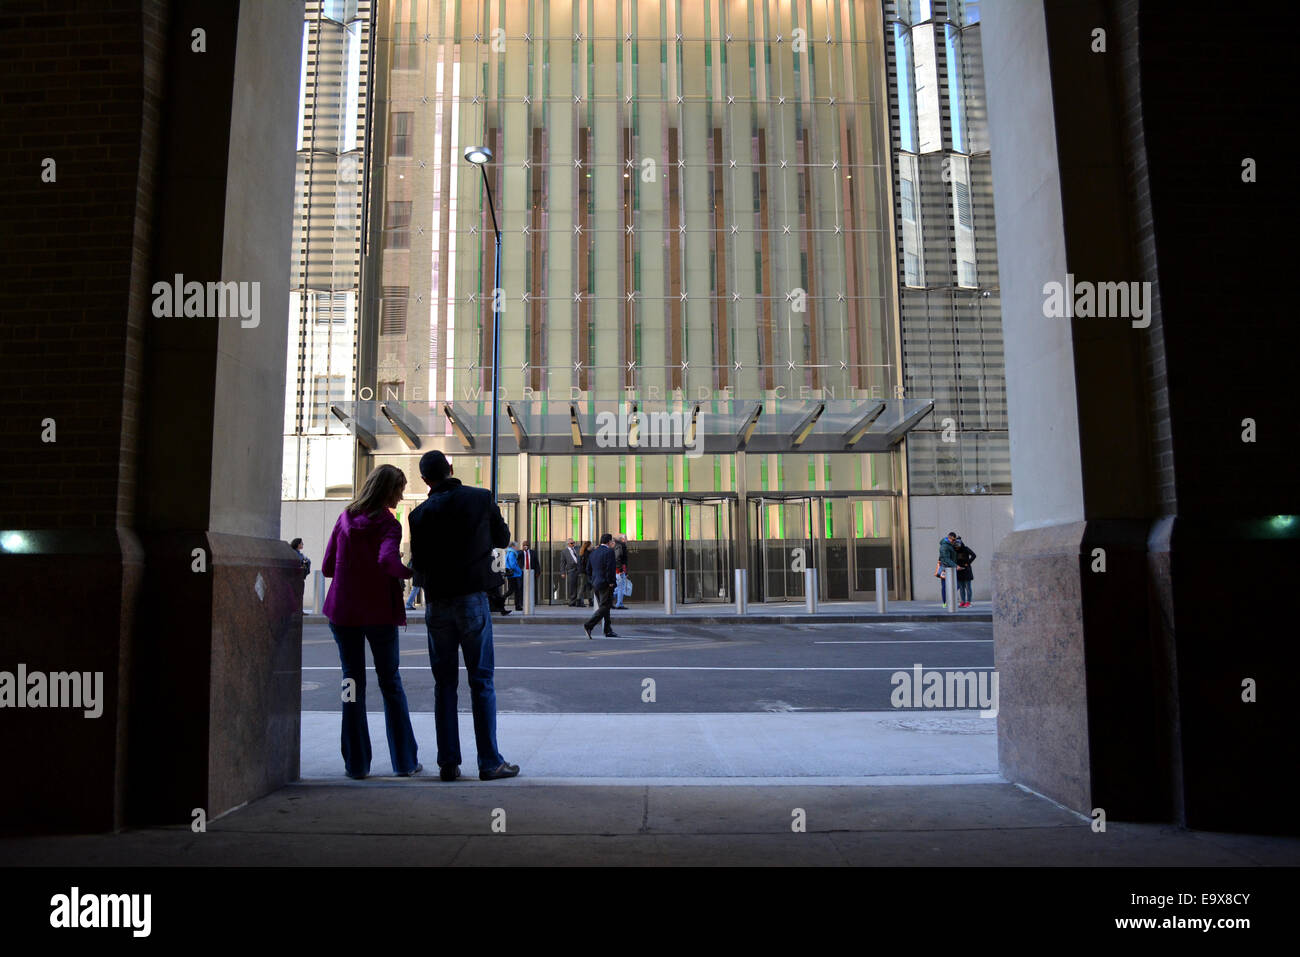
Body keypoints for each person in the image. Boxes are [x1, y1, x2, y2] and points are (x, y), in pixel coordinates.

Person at [407, 450, 520, 782]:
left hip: (438, 603)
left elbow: (420, 564)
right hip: (472, 598)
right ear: (451, 469)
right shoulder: (480, 499)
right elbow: (503, 538)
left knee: (444, 685)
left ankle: (448, 763)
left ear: (425, 479)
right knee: (481, 681)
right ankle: (489, 762)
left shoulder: (418, 515)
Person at [320, 465, 421, 780]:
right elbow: (387, 560)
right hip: (378, 613)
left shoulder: (345, 517)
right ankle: (404, 762)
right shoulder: (389, 524)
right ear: (388, 491)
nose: (401, 495)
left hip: (343, 612)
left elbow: (326, 568)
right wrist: (408, 574)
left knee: (351, 682)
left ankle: (356, 764)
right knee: (390, 683)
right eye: (399, 489)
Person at [583, 533, 620, 639]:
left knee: (605, 606)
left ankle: (608, 630)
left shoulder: (593, 553)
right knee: (605, 606)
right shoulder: (609, 552)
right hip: (606, 583)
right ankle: (589, 625)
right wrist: (611, 581)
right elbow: (610, 568)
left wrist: (592, 580)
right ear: (608, 542)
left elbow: (588, 569)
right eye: (612, 540)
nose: (613, 542)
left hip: (596, 583)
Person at [938, 532, 960, 606]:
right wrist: (955, 565)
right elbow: (946, 558)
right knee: (945, 585)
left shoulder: (950, 545)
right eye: (953, 540)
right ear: (949, 538)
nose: (954, 541)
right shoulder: (944, 546)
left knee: (956, 585)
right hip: (945, 568)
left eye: (955, 540)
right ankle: (945, 602)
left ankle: (950, 599)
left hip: (950, 568)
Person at [954, 537, 977, 608]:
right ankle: (963, 601)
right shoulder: (955, 550)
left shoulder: (966, 548)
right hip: (959, 571)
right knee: (961, 588)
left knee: (968, 587)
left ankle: (969, 602)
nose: (957, 548)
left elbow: (974, 555)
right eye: (956, 547)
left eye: (958, 546)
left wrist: (968, 563)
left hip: (966, 570)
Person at [612, 533, 630, 609]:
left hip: (619, 569)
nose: (627, 540)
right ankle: (619, 603)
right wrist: (620, 570)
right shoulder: (620, 546)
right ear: (622, 539)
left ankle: (611, 601)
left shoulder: (618, 545)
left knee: (618, 587)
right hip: (619, 570)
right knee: (620, 587)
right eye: (626, 538)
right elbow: (618, 558)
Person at [560, 540, 581, 605]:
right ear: (568, 544)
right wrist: (562, 572)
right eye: (572, 543)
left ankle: (579, 601)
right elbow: (562, 563)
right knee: (572, 586)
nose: (573, 544)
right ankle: (572, 601)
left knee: (581, 585)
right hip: (571, 570)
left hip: (579, 569)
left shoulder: (577, 549)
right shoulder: (564, 552)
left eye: (574, 543)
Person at [504, 541, 523, 611]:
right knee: (515, 591)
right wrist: (519, 571)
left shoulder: (508, 553)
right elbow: (513, 565)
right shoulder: (512, 553)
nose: (517, 547)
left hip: (512, 575)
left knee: (512, 590)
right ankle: (501, 600)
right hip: (514, 575)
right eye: (516, 546)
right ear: (512, 546)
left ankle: (517, 606)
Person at [520, 540, 540, 605]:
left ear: (529, 546)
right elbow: (517, 558)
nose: (526, 546)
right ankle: (522, 602)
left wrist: (537, 572)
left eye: (527, 545)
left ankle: (533, 601)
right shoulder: (520, 553)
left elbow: (537, 563)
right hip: (522, 572)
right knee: (522, 588)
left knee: (531, 587)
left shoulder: (533, 553)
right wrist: (522, 550)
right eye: (524, 545)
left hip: (531, 572)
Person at [577, 541, 594, 607]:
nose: (591, 547)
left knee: (587, 586)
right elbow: (587, 564)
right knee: (584, 586)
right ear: (588, 546)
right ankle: (579, 601)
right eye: (591, 546)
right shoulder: (587, 553)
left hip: (583, 572)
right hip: (585, 572)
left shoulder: (582, 552)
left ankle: (589, 600)